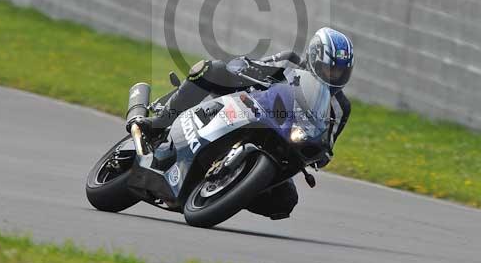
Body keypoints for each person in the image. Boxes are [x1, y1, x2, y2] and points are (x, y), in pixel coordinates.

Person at [129, 28, 353, 220]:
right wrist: (244, 71)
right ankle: (159, 122)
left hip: (285, 143)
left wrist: (320, 154)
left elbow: (327, 144)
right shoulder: (289, 61)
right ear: (314, 57)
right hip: (249, 108)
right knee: (211, 69)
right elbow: (249, 65)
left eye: (340, 72)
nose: (333, 75)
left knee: (285, 201)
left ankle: (227, 191)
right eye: (330, 68)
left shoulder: (341, 107)